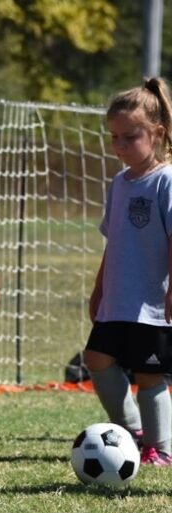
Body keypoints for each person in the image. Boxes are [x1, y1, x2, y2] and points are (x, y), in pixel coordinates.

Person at [84, 76, 172, 466]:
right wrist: (100, 287)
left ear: (157, 133)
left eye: (129, 137)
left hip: (151, 302)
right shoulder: (119, 183)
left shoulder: (166, 181)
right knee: (97, 358)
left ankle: (163, 449)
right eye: (114, 137)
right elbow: (113, 240)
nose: (119, 146)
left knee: (149, 376)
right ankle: (132, 431)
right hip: (118, 297)